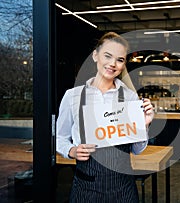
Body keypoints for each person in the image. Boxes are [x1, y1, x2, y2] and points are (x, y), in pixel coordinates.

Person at [56, 32, 154, 202]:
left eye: (120, 59)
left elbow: (136, 150)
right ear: (95, 55)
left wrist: (143, 126)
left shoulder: (130, 98)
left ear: (123, 65)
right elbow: (59, 137)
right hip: (85, 187)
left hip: (123, 188)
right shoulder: (73, 97)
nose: (112, 64)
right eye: (107, 56)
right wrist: (71, 151)